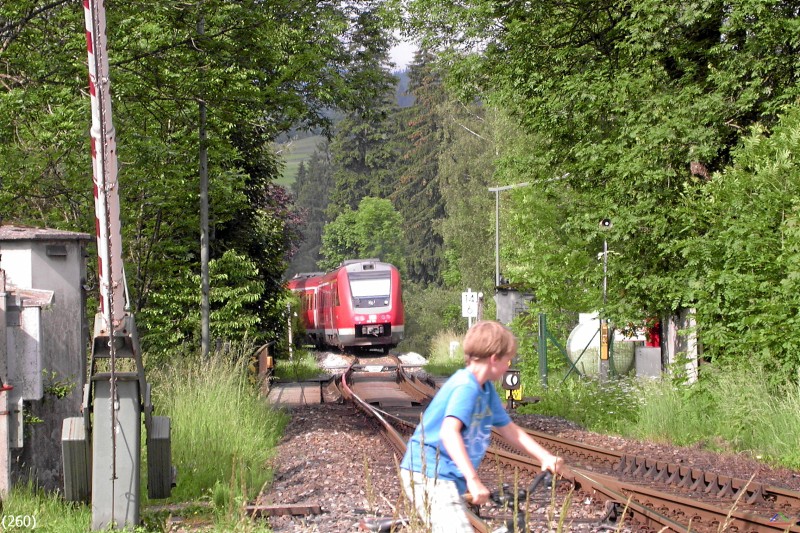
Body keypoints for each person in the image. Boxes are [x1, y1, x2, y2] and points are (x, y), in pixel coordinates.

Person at [399, 320, 567, 532]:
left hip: (447, 476)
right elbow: (449, 433)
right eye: (507, 360)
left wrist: (544, 457)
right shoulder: (466, 386)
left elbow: (509, 429)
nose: (508, 366)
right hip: (430, 473)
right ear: (494, 358)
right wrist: (473, 479)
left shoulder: (485, 389)